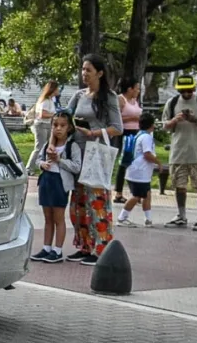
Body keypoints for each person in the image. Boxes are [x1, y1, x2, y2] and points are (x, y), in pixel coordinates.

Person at [65, 54, 123, 266]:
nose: (84, 74)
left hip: (96, 154)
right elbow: (65, 115)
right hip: (77, 154)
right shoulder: (79, 95)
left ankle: (101, 247)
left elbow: (117, 128)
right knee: (78, 203)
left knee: (95, 200)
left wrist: (94, 133)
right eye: (82, 69)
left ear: (100, 73)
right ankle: (83, 245)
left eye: (88, 70)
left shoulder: (109, 97)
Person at [162, 75, 197, 231]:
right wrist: (174, 121)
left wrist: (195, 120)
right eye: (182, 90)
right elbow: (165, 126)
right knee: (179, 185)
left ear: (194, 88)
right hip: (178, 151)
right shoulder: (171, 103)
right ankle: (181, 215)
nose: (186, 93)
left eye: (189, 90)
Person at [30, 111, 81, 263]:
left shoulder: (72, 146)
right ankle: (46, 248)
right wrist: (42, 164)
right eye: (55, 125)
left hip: (60, 183)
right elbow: (39, 159)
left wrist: (60, 160)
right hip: (47, 181)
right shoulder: (48, 144)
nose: (58, 129)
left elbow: (77, 167)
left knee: (58, 217)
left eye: (62, 125)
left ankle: (57, 250)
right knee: (47, 218)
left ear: (69, 127)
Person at [117, 112, 160, 227]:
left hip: (137, 171)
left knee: (146, 194)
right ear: (151, 125)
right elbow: (147, 154)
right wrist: (158, 162)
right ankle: (122, 218)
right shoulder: (146, 137)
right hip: (140, 172)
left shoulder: (138, 135)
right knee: (136, 196)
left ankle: (148, 219)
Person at [113, 77, 143, 204]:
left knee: (135, 162)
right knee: (124, 162)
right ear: (130, 89)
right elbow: (116, 118)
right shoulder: (121, 99)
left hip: (136, 132)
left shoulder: (135, 101)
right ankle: (118, 192)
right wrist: (132, 117)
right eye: (136, 88)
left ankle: (135, 192)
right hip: (125, 133)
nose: (138, 91)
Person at [25, 81, 60, 174]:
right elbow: (42, 114)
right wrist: (54, 115)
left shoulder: (51, 100)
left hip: (47, 125)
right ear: (53, 89)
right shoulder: (45, 100)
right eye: (57, 88)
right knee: (39, 147)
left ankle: (45, 165)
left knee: (48, 146)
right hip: (41, 125)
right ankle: (28, 168)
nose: (58, 90)